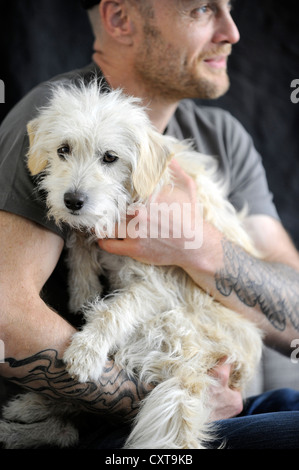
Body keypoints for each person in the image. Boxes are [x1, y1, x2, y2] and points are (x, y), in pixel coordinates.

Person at [0, 0, 299, 449]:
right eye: (201, 9)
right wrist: (154, 397)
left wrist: (199, 246)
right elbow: (5, 313)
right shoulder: (59, 122)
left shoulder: (222, 136)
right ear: (120, 19)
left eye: (229, 8)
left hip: (201, 385)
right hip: (96, 417)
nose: (232, 32)